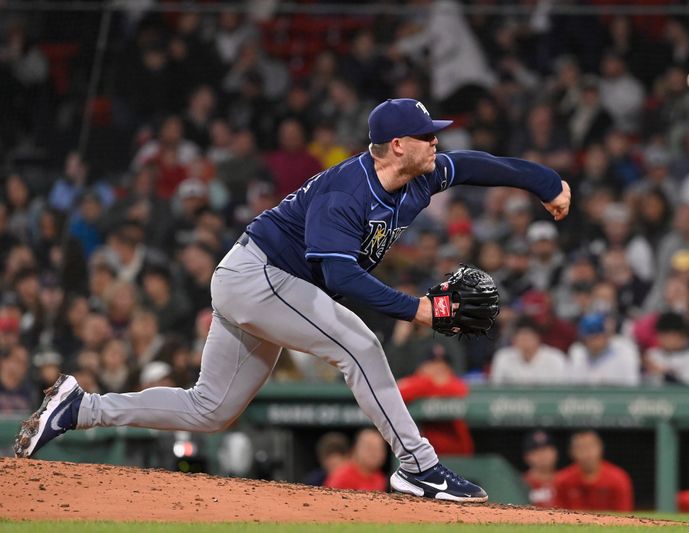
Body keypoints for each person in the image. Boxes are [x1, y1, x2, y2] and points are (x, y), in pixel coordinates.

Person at [14, 98, 571, 503]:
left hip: (260, 282)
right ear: (398, 145)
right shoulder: (346, 193)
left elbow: (477, 164)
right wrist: (418, 309)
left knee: (211, 409)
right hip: (260, 276)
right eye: (428, 135)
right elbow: (343, 278)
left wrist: (544, 182)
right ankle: (419, 467)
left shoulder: (421, 176)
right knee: (359, 345)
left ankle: (80, 408)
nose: (437, 142)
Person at [554, 430, 634, 512]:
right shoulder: (562, 480)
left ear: (601, 447)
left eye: (591, 447)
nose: (587, 453)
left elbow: (624, 515)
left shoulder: (618, 478)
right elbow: (557, 515)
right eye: (580, 448)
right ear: (571, 452)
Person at [521, 430, 558, 508]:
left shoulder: (567, 481)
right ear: (526, 457)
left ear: (555, 452)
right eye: (536, 451)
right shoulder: (521, 483)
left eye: (546, 449)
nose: (542, 455)